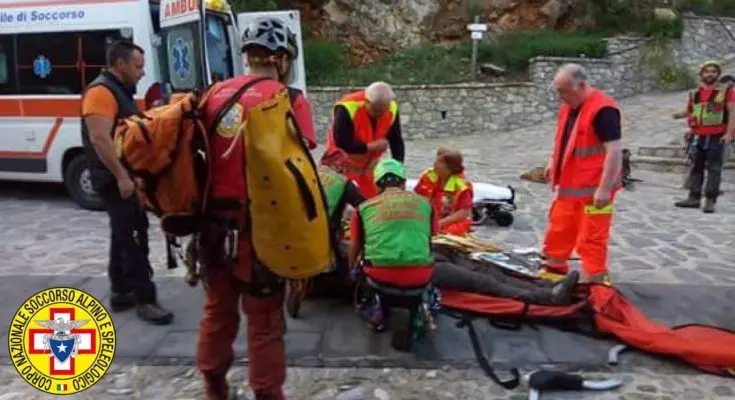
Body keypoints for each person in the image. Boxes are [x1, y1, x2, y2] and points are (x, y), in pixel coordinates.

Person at [195, 17, 315, 400]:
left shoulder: (212, 94)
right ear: (280, 59)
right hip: (263, 231)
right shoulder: (289, 99)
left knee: (217, 311)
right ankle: (267, 394)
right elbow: (300, 174)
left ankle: (214, 386)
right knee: (264, 321)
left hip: (213, 228)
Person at [81, 39, 173, 325]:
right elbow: (99, 138)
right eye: (138, 66)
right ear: (120, 65)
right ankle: (146, 299)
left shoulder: (119, 90)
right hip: (115, 179)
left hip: (124, 176)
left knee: (121, 233)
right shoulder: (100, 92)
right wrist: (122, 176)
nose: (142, 72)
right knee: (135, 236)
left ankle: (120, 291)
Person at [541, 64, 623, 285]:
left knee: (591, 239)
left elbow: (614, 151)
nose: (561, 97)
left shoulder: (604, 110)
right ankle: (552, 275)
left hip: (594, 192)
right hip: (569, 189)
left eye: (565, 91)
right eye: (559, 91)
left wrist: (604, 189)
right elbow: (563, 141)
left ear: (582, 85)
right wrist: (552, 160)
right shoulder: (568, 108)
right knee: (558, 232)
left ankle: (593, 284)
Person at [349, 158, 436, 330]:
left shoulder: (364, 208)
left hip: (379, 275)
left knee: (360, 269)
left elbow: (356, 245)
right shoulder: (426, 204)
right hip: (421, 274)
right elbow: (431, 235)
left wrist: (351, 270)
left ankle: (376, 310)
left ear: (377, 185)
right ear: (403, 182)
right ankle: (423, 307)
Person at [323, 81, 405, 198]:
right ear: (367, 102)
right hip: (341, 163)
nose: (380, 115)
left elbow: (396, 140)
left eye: (383, 112)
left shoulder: (391, 107)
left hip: (369, 166)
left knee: (371, 201)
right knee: (339, 199)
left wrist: (398, 170)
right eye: (376, 111)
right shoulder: (347, 107)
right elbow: (342, 143)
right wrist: (370, 147)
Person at [674, 60, 734, 213]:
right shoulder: (696, 93)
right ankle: (694, 197)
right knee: (696, 167)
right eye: (707, 71)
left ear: (718, 74)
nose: (710, 74)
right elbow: (691, 111)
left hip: (717, 135)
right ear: (701, 74)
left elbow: (732, 112)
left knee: (714, 168)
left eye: (713, 71)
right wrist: (678, 115)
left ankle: (710, 200)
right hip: (698, 136)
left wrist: (729, 133)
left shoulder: (726, 91)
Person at [414, 148, 474, 235]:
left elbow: (464, 212)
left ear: (449, 168)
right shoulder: (429, 176)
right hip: (430, 216)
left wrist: (440, 223)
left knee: (449, 231)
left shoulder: (462, 186)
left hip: (451, 221)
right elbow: (417, 197)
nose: (434, 164)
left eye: (439, 162)